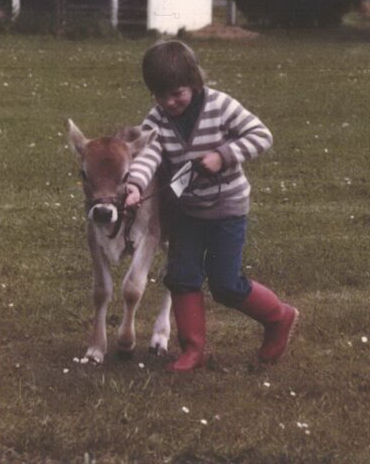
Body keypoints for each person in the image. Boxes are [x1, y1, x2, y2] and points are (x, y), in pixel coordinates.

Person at [123, 40, 298, 372]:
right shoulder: (157, 119)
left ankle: (279, 317)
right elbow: (148, 155)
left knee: (226, 284)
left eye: (177, 93)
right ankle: (192, 349)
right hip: (186, 211)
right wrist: (134, 184)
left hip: (227, 210)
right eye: (161, 96)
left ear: (194, 82)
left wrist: (223, 155)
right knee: (182, 277)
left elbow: (261, 135)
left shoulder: (220, 105)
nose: (169, 102)